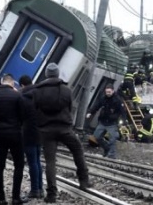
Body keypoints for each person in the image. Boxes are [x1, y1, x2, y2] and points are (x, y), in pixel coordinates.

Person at [33, 63, 90, 203]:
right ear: (57, 74)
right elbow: (71, 108)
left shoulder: (37, 91)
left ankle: (51, 194)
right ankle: (83, 181)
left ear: (46, 74)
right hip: (64, 128)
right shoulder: (66, 90)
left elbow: (35, 109)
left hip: (46, 130)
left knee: (50, 162)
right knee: (78, 150)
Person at [0, 74, 28, 204]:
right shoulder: (18, 95)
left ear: (1, 82)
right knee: (19, 165)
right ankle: (15, 197)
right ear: (12, 83)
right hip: (15, 133)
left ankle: (1, 199)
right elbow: (24, 115)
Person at [19, 75, 44, 200]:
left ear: (22, 85)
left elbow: (20, 117)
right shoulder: (40, 95)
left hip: (28, 133)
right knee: (38, 161)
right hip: (40, 132)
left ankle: (35, 190)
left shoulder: (23, 98)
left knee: (32, 162)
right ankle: (40, 189)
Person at [87, 84, 125, 159]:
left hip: (112, 123)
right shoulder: (103, 98)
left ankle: (112, 156)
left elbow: (123, 112)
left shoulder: (118, 100)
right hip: (103, 121)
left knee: (112, 139)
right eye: (106, 92)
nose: (108, 93)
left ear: (113, 91)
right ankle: (106, 148)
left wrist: (124, 122)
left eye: (109, 92)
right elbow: (96, 106)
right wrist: (90, 112)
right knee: (97, 136)